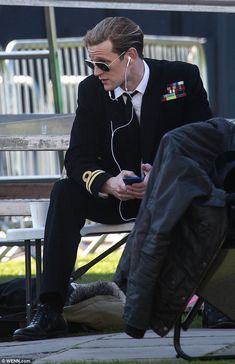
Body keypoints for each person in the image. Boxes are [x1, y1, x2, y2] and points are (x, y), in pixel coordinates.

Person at [13, 16, 212, 341]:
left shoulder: (180, 77)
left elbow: (206, 142)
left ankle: (216, 303)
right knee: (64, 191)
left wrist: (165, 175)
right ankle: (50, 308)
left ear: (130, 56)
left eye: (103, 64)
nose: (96, 72)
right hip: (117, 197)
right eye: (91, 64)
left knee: (218, 193)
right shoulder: (92, 90)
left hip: (170, 198)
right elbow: (77, 157)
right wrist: (108, 182)